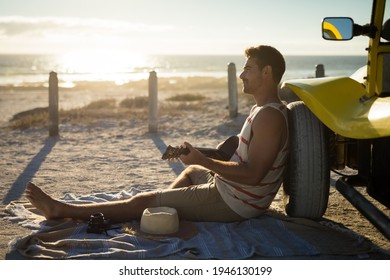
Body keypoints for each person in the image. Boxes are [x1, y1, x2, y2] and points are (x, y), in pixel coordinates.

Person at [25, 45, 288, 224]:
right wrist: (199, 159)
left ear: (267, 72)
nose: (241, 74)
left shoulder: (269, 116)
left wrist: (202, 160)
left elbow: (254, 175)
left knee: (143, 199)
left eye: (248, 69)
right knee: (189, 174)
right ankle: (158, 210)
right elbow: (244, 159)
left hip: (237, 202)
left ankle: (61, 210)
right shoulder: (262, 109)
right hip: (233, 187)